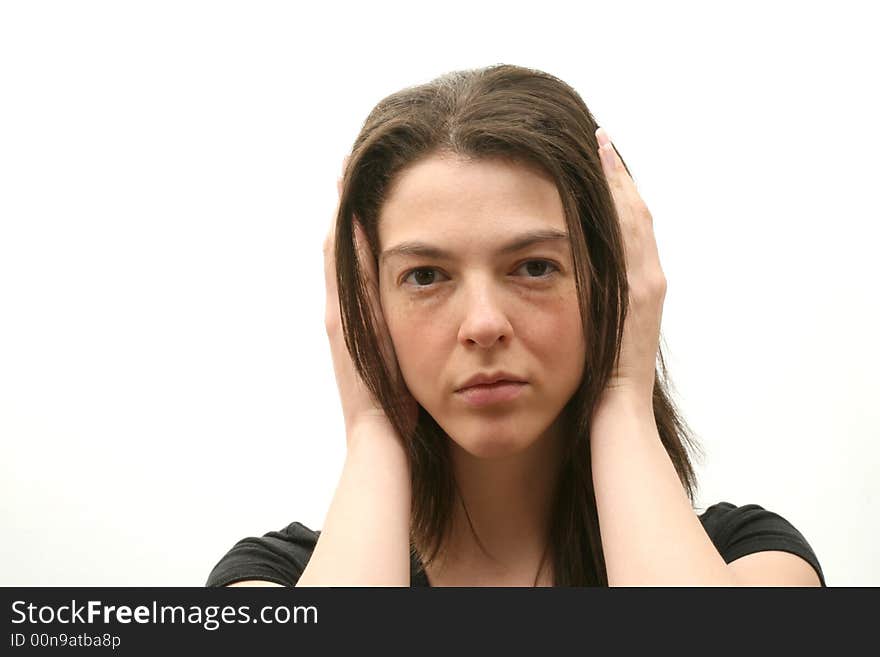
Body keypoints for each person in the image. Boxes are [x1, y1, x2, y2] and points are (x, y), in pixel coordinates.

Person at [206, 64, 826, 587]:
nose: (482, 324)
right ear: (365, 307)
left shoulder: (751, 563)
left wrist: (622, 396)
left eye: (534, 266)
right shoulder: (269, 582)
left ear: (612, 286)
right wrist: (372, 424)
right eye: (425, 276)